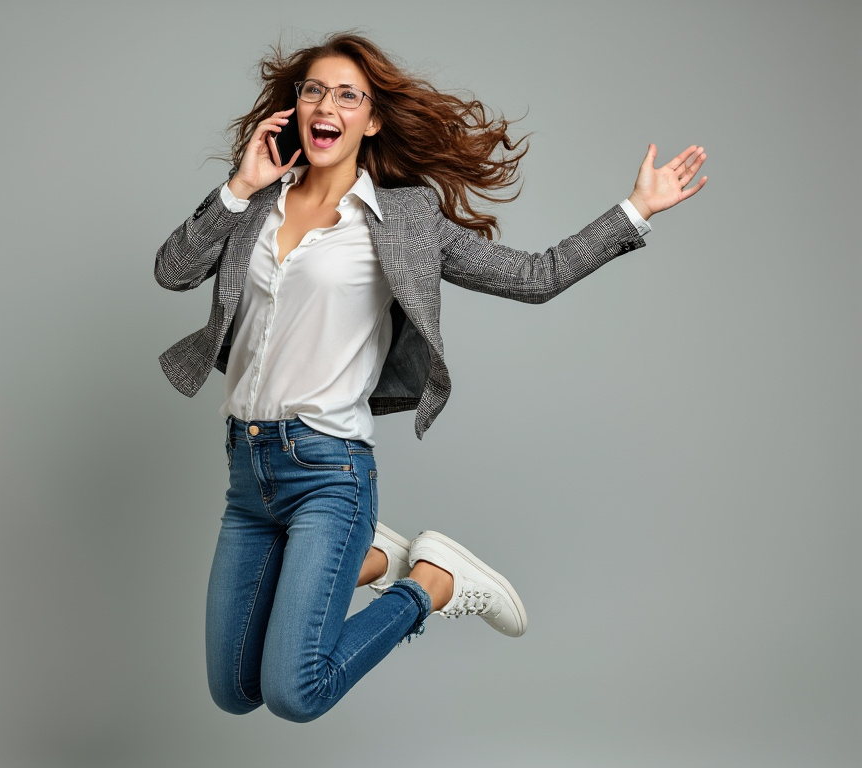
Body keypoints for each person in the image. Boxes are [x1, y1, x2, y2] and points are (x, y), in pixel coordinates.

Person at [154, 32, 707, 723]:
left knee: (295, 692)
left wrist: (635, 212)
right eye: (313, 91)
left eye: (348, 95)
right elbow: (172, 271)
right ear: (295, 108)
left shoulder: (404, 217)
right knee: (235, 690)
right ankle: (371, 559)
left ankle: (430, 583)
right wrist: (239, 187)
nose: (327, 104)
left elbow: (535, 277)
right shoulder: (259, 203)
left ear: (373, 118)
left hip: (329, 470)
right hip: (247, 469)